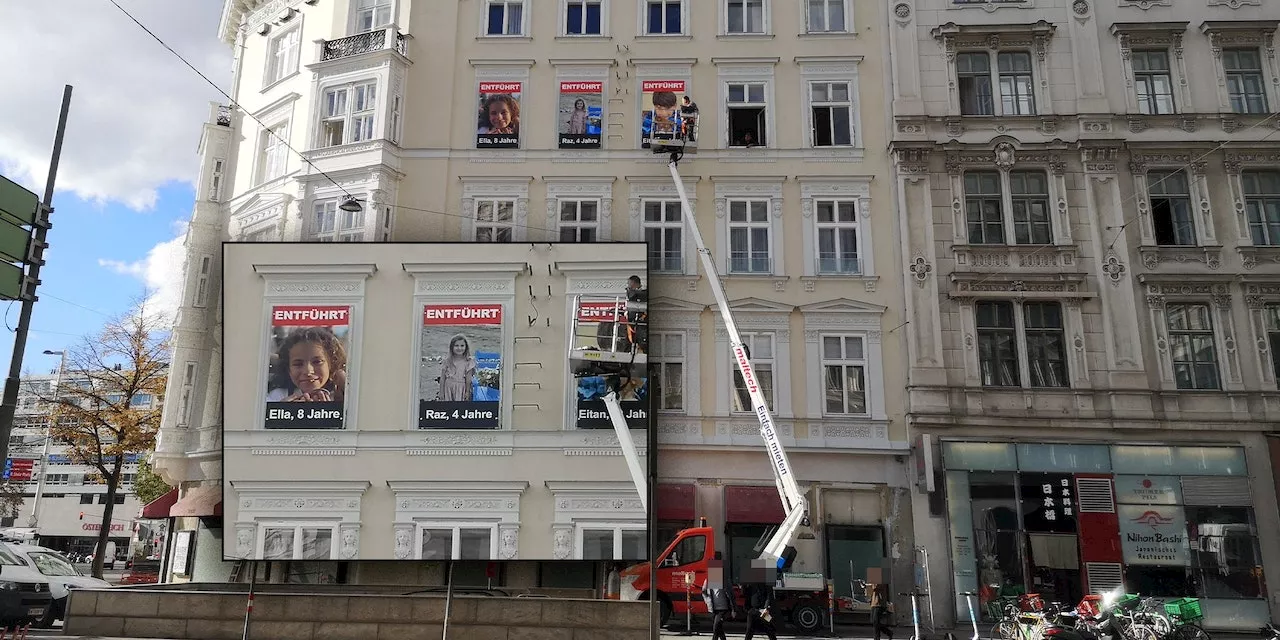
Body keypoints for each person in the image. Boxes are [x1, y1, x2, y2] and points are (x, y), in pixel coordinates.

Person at [266, 327, 347, 403]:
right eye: (298, 364)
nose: (308, 371)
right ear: (288, 369)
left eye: (317, 362)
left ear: (331, 364)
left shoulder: (343, 396)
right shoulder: (277, 396)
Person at [439, 334, 477, 401]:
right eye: (456, 346)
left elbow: (468, 379)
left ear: (466, 347)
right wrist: (441, 392)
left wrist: (467, 392)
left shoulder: (468, 361)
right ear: (452, 347)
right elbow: (442, 378)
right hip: (448, 387)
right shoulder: (447, 360)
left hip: (461, 388)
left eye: (462, 346)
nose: (459, 348)